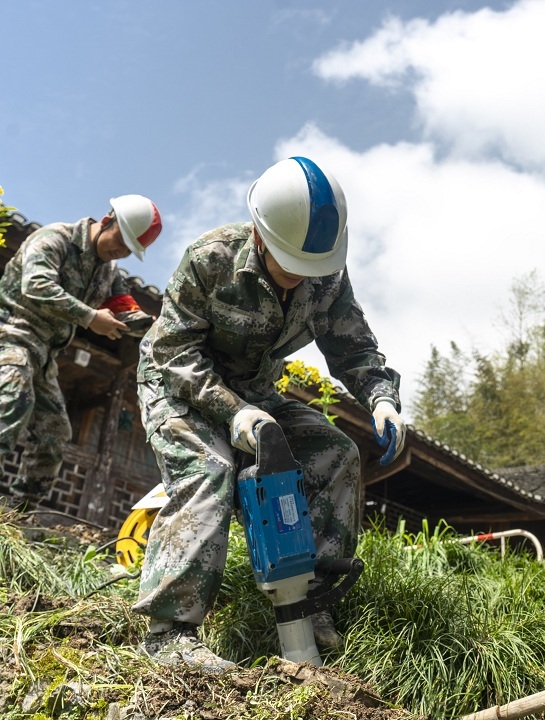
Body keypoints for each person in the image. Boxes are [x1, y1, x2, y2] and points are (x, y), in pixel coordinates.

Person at [134, 156, 405, 672]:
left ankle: (316, 602)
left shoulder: (326, 275)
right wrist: (232, 414)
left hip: (255, 390)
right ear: (260, 236)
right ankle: (169, 636)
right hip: (178, 384)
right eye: (289, 264)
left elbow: (354, 348)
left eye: (311, 268)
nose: (299, 278)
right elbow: (174, 353)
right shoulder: (210, 260)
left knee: (334, 452)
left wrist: (381, 397)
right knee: (209, 470)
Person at [0, 195, 162, 508]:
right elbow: (35, 286)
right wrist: (89, 317)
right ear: (108, 219)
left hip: (44, 356)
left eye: (131, 249)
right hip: (11, 335)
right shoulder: (54, 239)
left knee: (54, 432)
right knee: (11, 402)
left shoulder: (108, 272)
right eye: (122, 239)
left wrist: (155, 325)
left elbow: (124, 309)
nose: (122, 251)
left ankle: (15, 516)